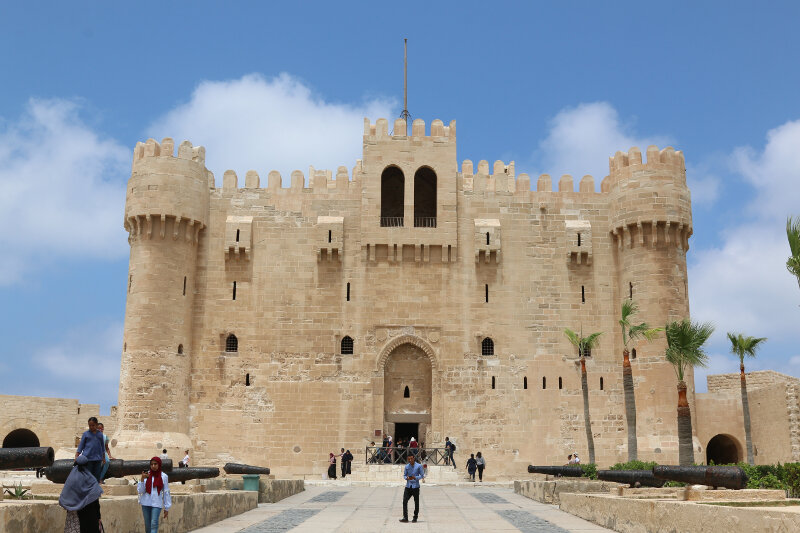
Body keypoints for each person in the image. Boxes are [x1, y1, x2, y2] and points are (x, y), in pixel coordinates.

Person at [59, 455, 103, 533]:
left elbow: (65, 498)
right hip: (91, 517)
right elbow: (96, 500)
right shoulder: (91, 479)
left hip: (75, 517)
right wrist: (98, 517)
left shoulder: (71, 479)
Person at [138, 456, 171, 533]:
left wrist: (167, 507)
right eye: (152, 464)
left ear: (159, 464)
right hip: (146, 502)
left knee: (154, 523)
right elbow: (141, 490)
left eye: (155, 464)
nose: (153, 466)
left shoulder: (164, 476)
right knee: (147, 525)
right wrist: (142, 479)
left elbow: (166, 492)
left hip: (157, 503)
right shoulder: (147, 475)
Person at [75, 417, 105, 482]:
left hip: (97, 459)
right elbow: (81, 446)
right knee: (88, 476)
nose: (91, 427)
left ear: (96, 425)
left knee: (96, 476)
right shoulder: (86, 434)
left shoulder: (100, 434)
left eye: (93, 425)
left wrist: (103, 457)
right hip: (88, 458)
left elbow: (102, 446)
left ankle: (95, 490)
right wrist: (77, 455)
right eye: (90, 425)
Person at [399, 452, 425, 523]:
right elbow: (404, 475)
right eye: (408, 459)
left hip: (415, 487)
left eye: (411, 459)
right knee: (404, 501)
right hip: (408, 486)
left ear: (414, 458)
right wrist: (407, 478)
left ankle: (415, 517)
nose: (410, 460)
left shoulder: (419, 466)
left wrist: (415, 477)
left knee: (416, 502)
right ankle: (405, 517)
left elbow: (422, 475)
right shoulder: (407, 466)